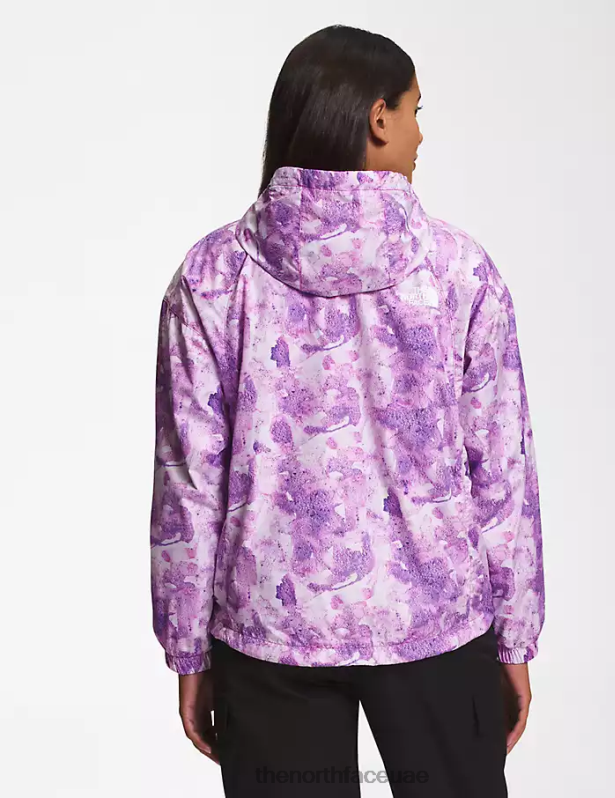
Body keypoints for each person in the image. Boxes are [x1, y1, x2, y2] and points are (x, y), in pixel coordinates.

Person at [150, 23, 545, 798]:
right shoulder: (458, 272)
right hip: (438, 623)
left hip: (269, 630)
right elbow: (501, 471)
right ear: (377, 117)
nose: (421, 134)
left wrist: (187, 649)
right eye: (416, 111)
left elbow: (188, 484)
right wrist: (515, 635)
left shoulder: (212, 277)